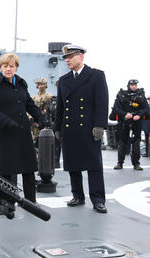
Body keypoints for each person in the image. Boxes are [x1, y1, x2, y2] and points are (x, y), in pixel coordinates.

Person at [54, 44, 109, 214]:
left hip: (89, 129)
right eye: (65, 58)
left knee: (94, 165)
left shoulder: (96, 76)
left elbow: (102, 102)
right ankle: (77, 196)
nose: (67, 60)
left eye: (70, 56)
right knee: (73, 164)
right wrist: (58, 127)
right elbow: (60, 107)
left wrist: (100, 125)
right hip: (70, 129)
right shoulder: (63, 80)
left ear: (81, 56)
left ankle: (98, 199)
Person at [0, 53, 44, 203]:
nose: (8, 69)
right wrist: (7, 123)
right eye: (5, 66)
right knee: (6, 170)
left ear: (16, 67)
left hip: (22, 132)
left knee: (28, 169)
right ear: (1, 67)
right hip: (3, 132)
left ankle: (31, 202)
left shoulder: (21, 84)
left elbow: (29, 104)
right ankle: (6, 202)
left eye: (11, 66)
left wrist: (42, 119)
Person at [111, 80, 148, 170]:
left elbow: (146, 108)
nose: (134, 86)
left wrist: (139, 115)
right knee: (122, 142)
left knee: (136, 142)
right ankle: (120, 163)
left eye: (135, 85)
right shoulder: (121, 95)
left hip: (136, 121)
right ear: (129, 85)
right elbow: (116, 108)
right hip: (124, 121)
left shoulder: (141, 95)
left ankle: (136, 163)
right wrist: (125, 114)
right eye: (132, 85)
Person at [31, 78, 53, 146]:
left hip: (44, 122)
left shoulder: (49, 96)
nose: (41, 86)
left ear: (46, 85)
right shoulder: (34, 97)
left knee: (45, 141)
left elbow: (51, 109)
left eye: (42, 84)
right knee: (35, 141)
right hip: (35, 123)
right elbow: (31, 108)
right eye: (39, 84)